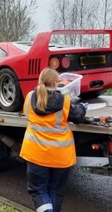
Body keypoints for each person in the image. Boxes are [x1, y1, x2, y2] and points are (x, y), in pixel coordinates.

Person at [20, 67, 87, 212]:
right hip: (60, 157)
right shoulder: (65, 101)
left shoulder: (30, 96)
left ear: (40, 80)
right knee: (55, 192)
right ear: (56, 83)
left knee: (38, 191)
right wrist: (82, 106)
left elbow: (26, 114)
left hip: (35, 155)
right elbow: (78, 117)